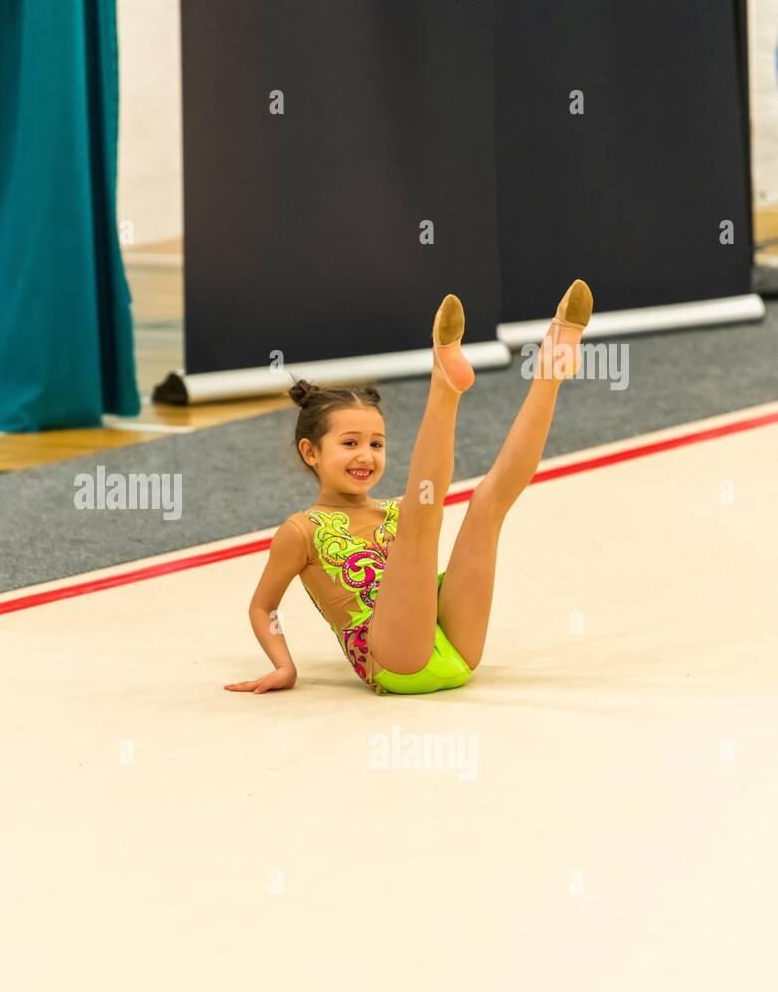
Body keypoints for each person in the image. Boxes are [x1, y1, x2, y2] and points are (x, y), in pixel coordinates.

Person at [226, 281, 593, 696]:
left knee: (489, 503)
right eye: (350, 444)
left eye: (376, 444)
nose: (365, 456)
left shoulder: (392, 510)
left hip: (456, 651)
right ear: (310, 452)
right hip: (395, 663)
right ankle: (444, 385)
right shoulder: (302, 530)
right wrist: (283, 666)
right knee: (424, 510)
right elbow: (263, 606)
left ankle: (550, 370)